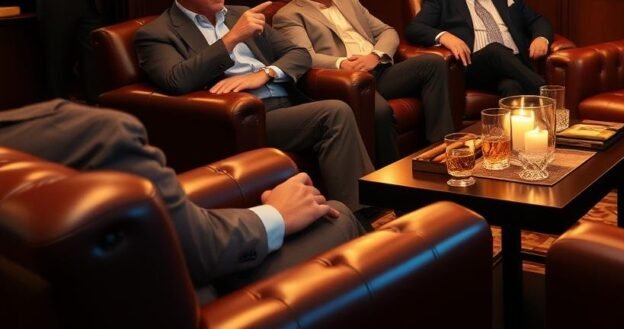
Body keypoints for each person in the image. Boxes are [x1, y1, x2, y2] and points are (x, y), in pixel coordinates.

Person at [0, 99, 363, 296]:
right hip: (194, 299)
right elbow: (200, 250)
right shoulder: (94, 135)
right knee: (336, 212)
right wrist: (275, 216)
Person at [134, 0, 373, 212]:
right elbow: (176, 79)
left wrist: (265, 74)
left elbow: (297, 53)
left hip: (284, 103)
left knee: (338, 109)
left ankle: (356, 211)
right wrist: (232, 38)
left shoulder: (239, 14)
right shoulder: (156, 33)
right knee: (334, 113)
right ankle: (362, 217)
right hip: (242, 118)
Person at [273, 0, 454, 166]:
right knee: (379, 112)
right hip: (346, 81)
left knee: (433, 63)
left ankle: (440, 153)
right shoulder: (290, 15)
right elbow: (302, 57)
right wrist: (342, 64)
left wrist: (376, 55)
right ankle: (391, 179)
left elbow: (387, 31)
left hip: (378, 70)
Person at [406, 0, 553, 97]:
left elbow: (538, 20)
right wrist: (445, 36)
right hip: (475, 66)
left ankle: (528, 118)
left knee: (511, 86)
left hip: (514, 64)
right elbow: (414, 28)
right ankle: (547, 93)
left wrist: (541, 38)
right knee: (495, 50)